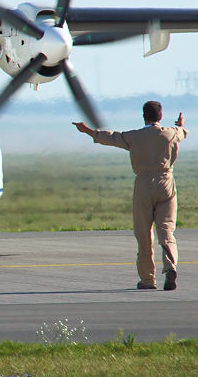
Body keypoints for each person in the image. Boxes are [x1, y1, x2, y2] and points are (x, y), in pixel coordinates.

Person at [73, 101, 187, 290]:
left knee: (143, 234)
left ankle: (148, 279)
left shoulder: (134, 137)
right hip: (166, 182)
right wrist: (180, 124)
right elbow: (182, 132)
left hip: (143, 184)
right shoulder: (171, 133)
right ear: (160, 116)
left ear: (144, 116)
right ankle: (170, 266)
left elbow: (111, 137)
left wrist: (87, 131)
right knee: (166, 230)